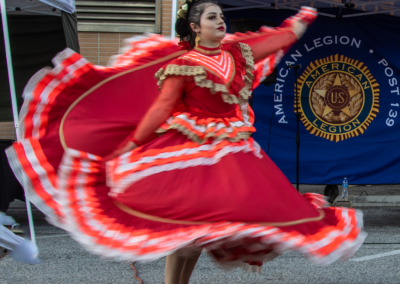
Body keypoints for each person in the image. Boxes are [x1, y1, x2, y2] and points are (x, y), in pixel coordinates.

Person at [5, 2, 365, 284]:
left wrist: (299, 22)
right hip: (189, 148)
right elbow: (161, 108)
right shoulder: (183, 64)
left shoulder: (237, 53)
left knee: (203, 229)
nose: (220, 21)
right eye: (212, 17)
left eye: (221, 16)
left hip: (231, 148)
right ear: (195, 27)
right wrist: (132, 145)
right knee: (188, 227)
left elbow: (271, 40)